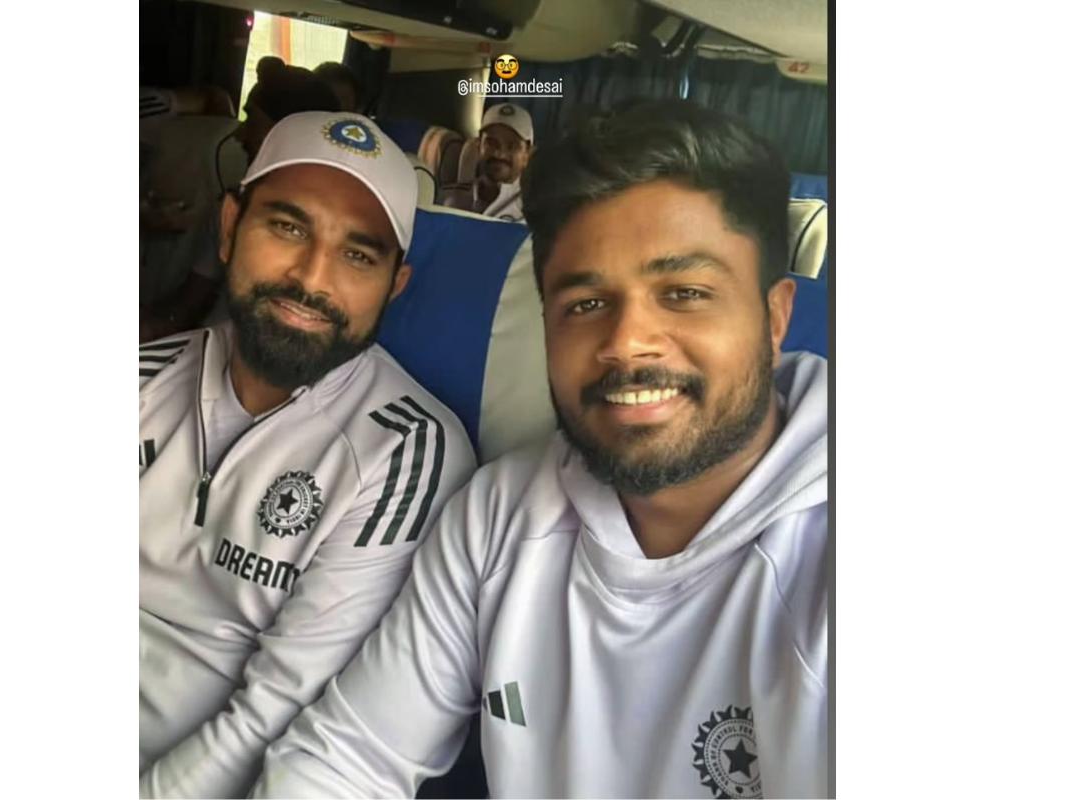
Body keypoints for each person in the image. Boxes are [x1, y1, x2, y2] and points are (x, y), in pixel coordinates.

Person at [253, 100, 829, 798]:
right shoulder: (500, 516)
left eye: (683, 293)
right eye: (585, 304)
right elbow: (349, 758)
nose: (624, 343)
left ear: (774, 319)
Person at [139, 110, 477, 798]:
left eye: (358, 255)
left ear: (395, 285)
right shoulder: (139, 377)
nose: (311, 278)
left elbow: (275, 712)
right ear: (230, 228)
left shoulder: (403, 450)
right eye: (288, 227)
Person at [140, 59, 341, 343]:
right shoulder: (234, 207)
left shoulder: (340, 228)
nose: (239, 134)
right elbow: (186, 309)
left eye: (252, 121)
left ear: (282, 135)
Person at [443, 103, 533, 222]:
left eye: (512, 145)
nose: (499, 154)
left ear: (527, 154)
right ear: (479, 145)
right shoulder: (445, 199)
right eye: (491, 143)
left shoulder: (536, 213)